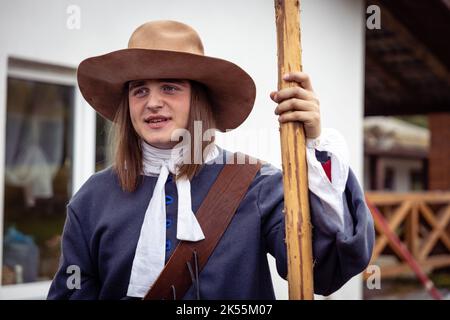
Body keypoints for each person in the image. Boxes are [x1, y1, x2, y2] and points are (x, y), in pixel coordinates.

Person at [47, 20, 374, 300]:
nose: (153, 103)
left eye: (170, 87)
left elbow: (324, 271)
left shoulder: (258, 185)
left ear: (198, 99)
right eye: (139, 90)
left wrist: (315, 143)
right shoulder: (93, 197)